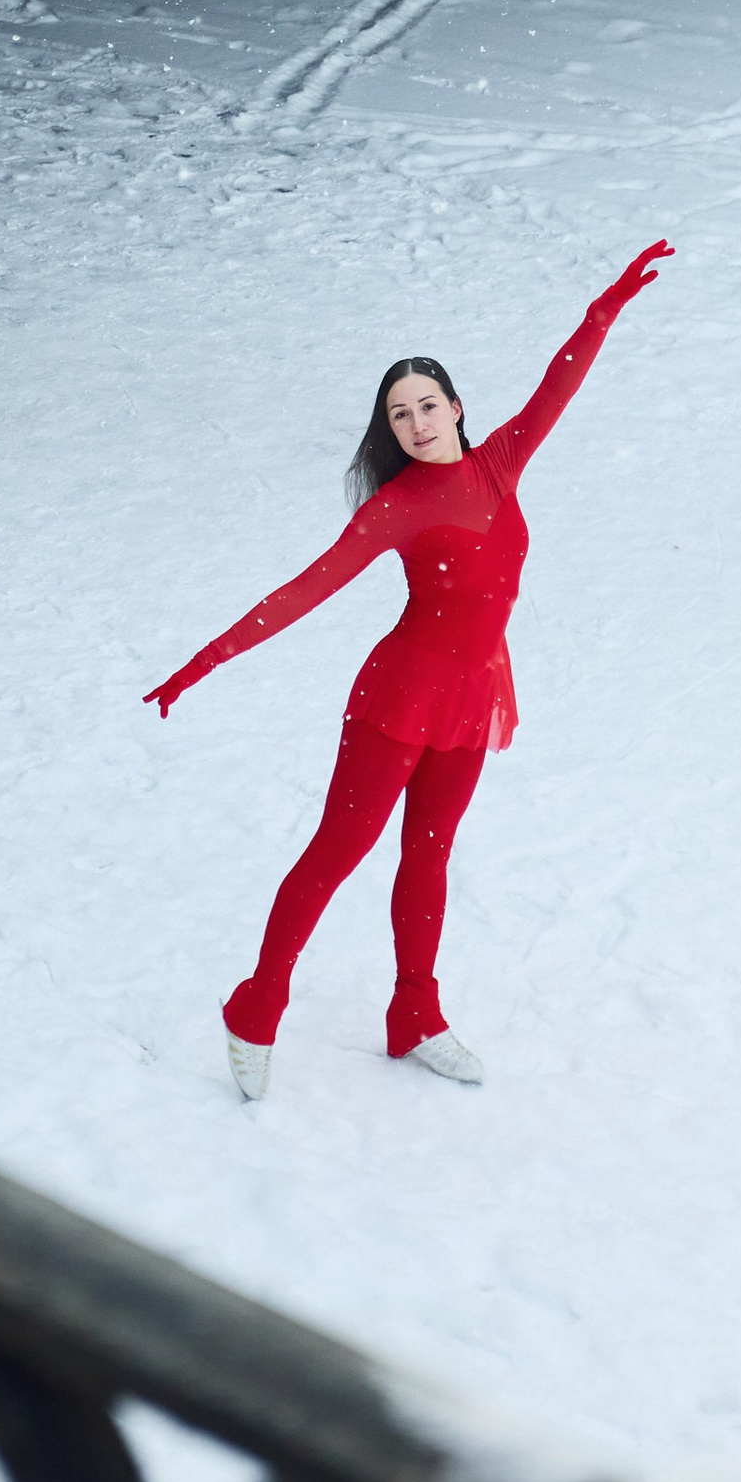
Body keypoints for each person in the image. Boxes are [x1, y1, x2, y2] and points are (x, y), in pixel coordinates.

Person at [145, 243, 673, 1101]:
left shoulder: (501, 461)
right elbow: (302, 591)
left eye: (429, 405)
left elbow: (557, 386)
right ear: (389, 432)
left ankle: (415, 1015)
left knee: (428, 856)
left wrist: (603, 311)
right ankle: (256, 1005)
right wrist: (203, 662)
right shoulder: (396, 509)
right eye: (400, 415)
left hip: (471, 697)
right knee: (338, 851)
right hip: (399, 698)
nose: (419, 423)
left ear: (458, 407)